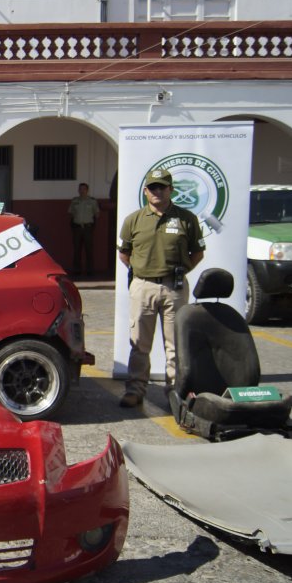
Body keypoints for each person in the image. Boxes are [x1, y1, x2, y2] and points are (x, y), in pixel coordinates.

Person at [117, 168, 205, 408]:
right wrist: (142, 273)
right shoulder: (133, 220)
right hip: (143, 286)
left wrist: (179, 272)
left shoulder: (187, 218)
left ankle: (175, 392)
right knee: (139, 344)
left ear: (171, 190)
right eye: (152, 187)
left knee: (175, 345)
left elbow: (197, 252)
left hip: (173, 288)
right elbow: (124, 254)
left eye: (162, 187)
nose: (157, 191)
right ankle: (135, 390)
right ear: (145, 191)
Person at [68, 182, 99, 276]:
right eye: (80, 189)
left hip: (87, 228)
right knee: (77, 250)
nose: (82, 191)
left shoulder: (92, 201)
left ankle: (90, 270)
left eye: (84, 189)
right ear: (78, 190)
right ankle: (77, 270)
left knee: (89, 249)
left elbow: (96, 214)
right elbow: (71, 213)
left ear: (87, 190)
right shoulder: (75, 201)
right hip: (77, 228)